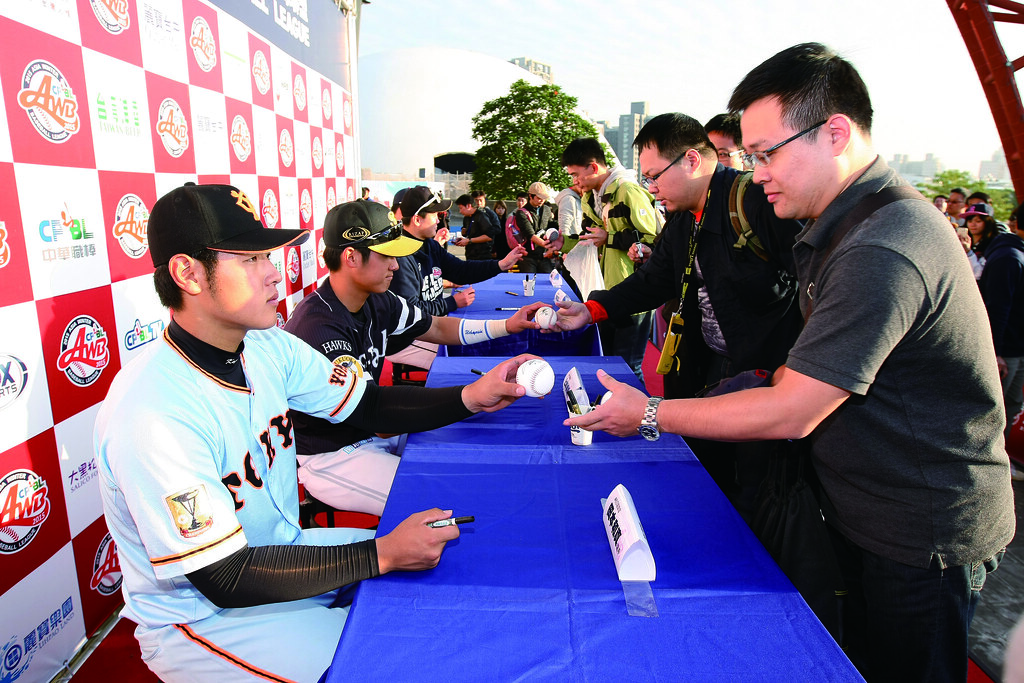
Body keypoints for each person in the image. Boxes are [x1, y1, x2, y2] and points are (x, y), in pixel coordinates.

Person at [567, 43, 1014, 681]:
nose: (756, 173)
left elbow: (796, 409)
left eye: (766, 153)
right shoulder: (836, 226)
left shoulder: (883, 244)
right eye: (748, 156)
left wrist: (652, 413)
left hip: (919, 530)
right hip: (861, 506)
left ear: (835, 133)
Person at [94, 183, 534, 682]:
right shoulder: (152, 411)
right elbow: (222, 576)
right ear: (187, 273)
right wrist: (381, 553)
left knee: (450, 575)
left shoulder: (265, 346)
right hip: (205, 617)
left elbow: (366, 404)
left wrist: (468, 398)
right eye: (251, 259)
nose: (273, 273)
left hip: (287, 548)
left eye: (269, 256)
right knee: (395, 661)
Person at [553, 113, 804, 510]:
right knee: (707, 474)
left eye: (654, 176)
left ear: (691, 161)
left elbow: (815, 285)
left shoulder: (754, 201)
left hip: (766, 376)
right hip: (707, 367)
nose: (651, 190)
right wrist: (591, 309)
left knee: (761, 489)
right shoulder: (684, 217)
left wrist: (802, 368)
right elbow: (654, 280)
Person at [285, 201, 544, 515]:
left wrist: (507, 325)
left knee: (472, 457)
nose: (395, 266)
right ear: (351, 256)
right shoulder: (317, 327)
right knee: (447, 505)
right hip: (335, 453)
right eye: (386, 255)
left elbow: (434, 326)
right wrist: (471, 396)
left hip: (375, 429)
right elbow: (373, 412)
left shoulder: (379, 298)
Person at [562, 137, 660, 378]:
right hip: (604, 292)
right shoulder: (590, 197)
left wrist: (611, 238)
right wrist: (562, 242)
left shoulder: (628, 191)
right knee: (607, 360)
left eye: (576, 175)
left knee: (628, 366)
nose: (575, 182)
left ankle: (639, 415)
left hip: (633, 294)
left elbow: (655, 239)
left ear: (594, 168)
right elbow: (590, 238)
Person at [390, 185, 525, 317]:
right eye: (434, 215)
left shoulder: (430, 245)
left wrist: (500, 265)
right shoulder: (400, 257)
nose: (438, 220)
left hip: (432, 327)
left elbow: (460, 270)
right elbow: (410, 310)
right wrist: (452, 302)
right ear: (417, 220)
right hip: (416, 337)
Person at [513, 181, 559, 274]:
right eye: (539, 198)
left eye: (544, 198)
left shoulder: (546, 209)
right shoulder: (521, 212)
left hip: (544, 255)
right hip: (527, 256)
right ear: (530, 196)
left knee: (549, 282)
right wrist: (550, 246)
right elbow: (530, 234)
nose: (542, 200)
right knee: (529, 284)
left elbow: (551, 224)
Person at [454, 193, 498, 260]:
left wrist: (469, 241)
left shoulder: (481, 216)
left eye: (461, 208)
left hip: (482, 256)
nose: (460, 211)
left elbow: (489, 237)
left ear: (468, 206)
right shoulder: (467, 217)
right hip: (471, 254)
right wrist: (464, 238)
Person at [966, 202, 1000, 280]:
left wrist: (968, 252)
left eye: (978, 221)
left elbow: (979, 274)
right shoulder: (965, 241)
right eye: (970, 221)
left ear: (988, 223)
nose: (973, 224)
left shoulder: (993, 245)